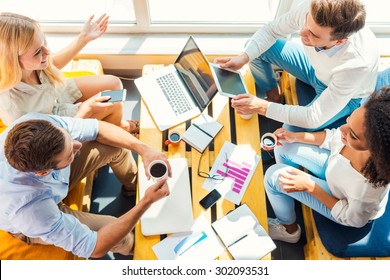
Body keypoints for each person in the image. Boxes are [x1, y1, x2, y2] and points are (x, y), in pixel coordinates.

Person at [0, 112, 171, 258]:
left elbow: (98, 129)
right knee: (121, 236)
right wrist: (146, 203)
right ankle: (147, 256)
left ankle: (134, 186)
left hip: (49, 185)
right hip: (38, 211)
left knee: (115, 147)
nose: (79, 145)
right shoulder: (29, 212)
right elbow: (95, 248)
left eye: (69, 139)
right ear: (43, 172)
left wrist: (144, 149)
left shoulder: (35, 125)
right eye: (70, 153)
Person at [215, 0, 378, 131]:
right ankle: (274, 97)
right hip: (315, 69)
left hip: (345, 95)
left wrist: (261, 107)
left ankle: (269, 105)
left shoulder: (357, 64)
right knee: (254, 48)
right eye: (306, 23)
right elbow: (271, 31)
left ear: (340, 41)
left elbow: (312, 117)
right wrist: (243, 58)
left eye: (312, 34)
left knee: (289, 129)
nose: (301, 33)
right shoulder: (313, 9)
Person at [263, 86, 390, 243]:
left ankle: (289, 230)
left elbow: (353, 220)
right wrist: (294, 136)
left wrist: (309, 187)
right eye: (348, 120)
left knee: (273, 176)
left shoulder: (367, 190)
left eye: (353, 135)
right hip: (335, 172)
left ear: (376, 148)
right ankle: (287, 192)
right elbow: (332, 137)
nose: (342, 129)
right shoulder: (357, 135)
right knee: (284, 144)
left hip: (341, 204)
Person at [0, 12, 138, 135]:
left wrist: (85, 37)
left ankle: (111, 124)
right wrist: (85, 111)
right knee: (114, 105)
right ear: (11, 61)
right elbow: (51, 142)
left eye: (44, 42)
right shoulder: (15, 110)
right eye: (37, 52)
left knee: (113, 83)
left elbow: (52, 63)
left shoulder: (34, 62)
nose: (47, 52)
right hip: (51, 123)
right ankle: (108, 134)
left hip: (54, 94)